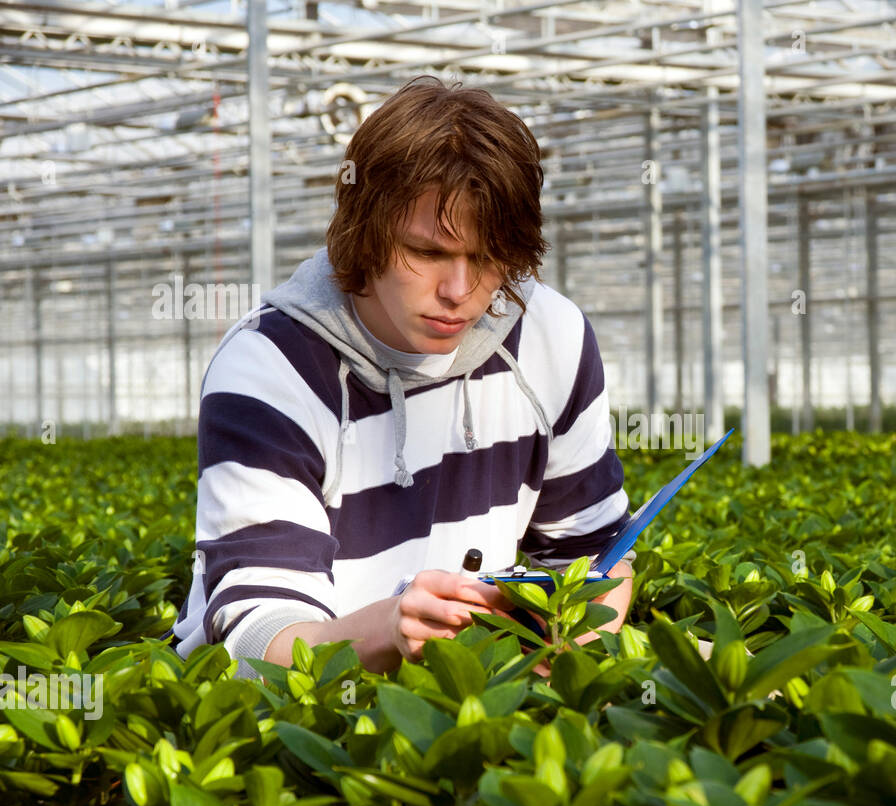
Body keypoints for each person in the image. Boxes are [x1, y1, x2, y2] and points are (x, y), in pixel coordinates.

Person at [167, 76, 635, 678]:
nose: (459, 292)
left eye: (488, 256)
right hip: (289, 719)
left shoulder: (552, 336)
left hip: (463, 695)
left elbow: (593, 552)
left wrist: (570, 664)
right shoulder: (270, 367)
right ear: (365, 231)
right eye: (428, 252)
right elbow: (258, 637)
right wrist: (390, 630)